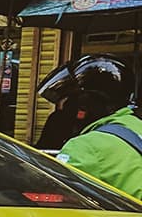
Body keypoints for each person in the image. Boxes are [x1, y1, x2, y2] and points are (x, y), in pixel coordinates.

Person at [43, 55, 142, 199]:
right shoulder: (136, 127)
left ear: (86, 102)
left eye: (68, 101)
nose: (64, 109)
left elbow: (55, 194)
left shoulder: (86, 146)